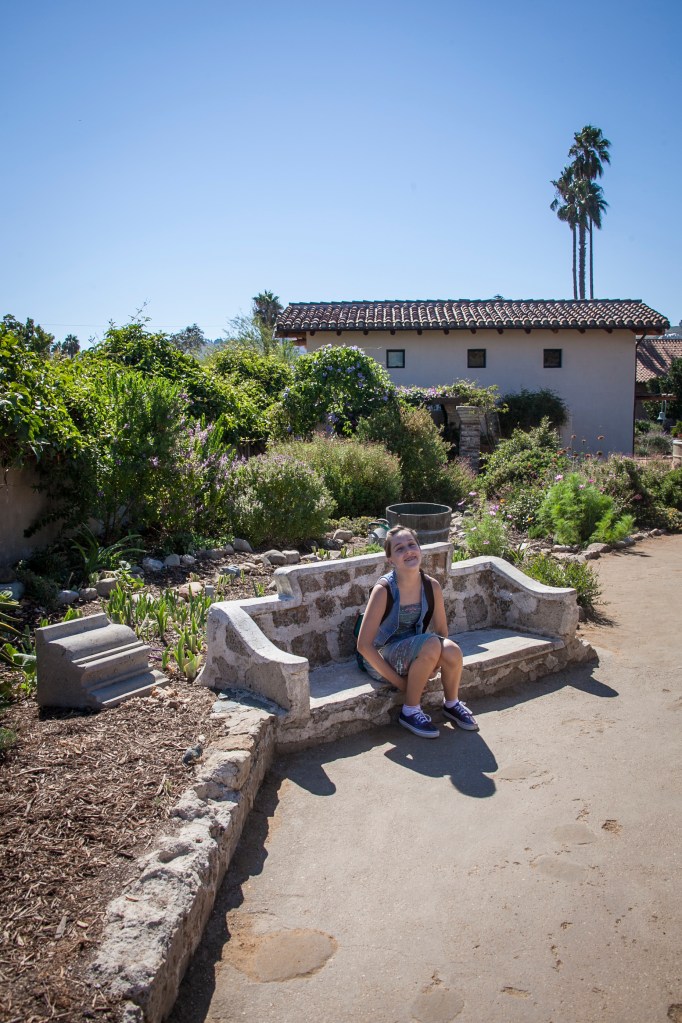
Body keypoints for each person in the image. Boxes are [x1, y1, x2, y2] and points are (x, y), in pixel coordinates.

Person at [357, 525, 479, 739]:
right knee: (432, 643)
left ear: (420, 549)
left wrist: (433, 663)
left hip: (414, 650)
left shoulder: (432, 587)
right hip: (381, 656)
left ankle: (451, 703)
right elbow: (364, 646)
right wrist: (401, 683)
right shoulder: (384, 590)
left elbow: (442, 631)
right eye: (400, 549)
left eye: (412, 544)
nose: (408, 551)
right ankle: (410, 710)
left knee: (452, 650)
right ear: (391, 560)